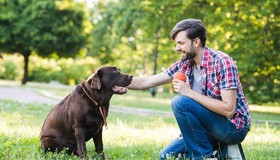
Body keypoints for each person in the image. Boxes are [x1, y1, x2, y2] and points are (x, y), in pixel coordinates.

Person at [127, 18, 251, 160]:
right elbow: (147, 82)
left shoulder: (222, 62)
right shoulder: (185, 64)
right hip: (207, 129)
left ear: (196, 42)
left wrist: (189, 93)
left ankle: (203, 156)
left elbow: (229, 110)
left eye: (181, 43)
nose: (177, 48)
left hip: (232, 128)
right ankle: (224, 151)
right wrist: (118, 81)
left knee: (180, 102)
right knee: (166, 156)